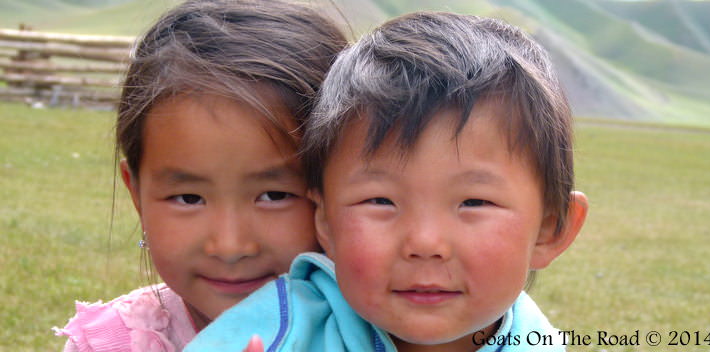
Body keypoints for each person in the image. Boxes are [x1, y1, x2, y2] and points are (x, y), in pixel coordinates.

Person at [186, 11, 589, 352]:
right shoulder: (277, 331)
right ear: (324, 220)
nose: (425, 243)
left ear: (551, 228)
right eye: (380, 201)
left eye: (474, 202)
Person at [52, 0, 346, 350]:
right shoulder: (111, 343)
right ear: (137, 194)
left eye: (274, 195)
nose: (230, 246)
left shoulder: (386, 334)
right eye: (189, 198)